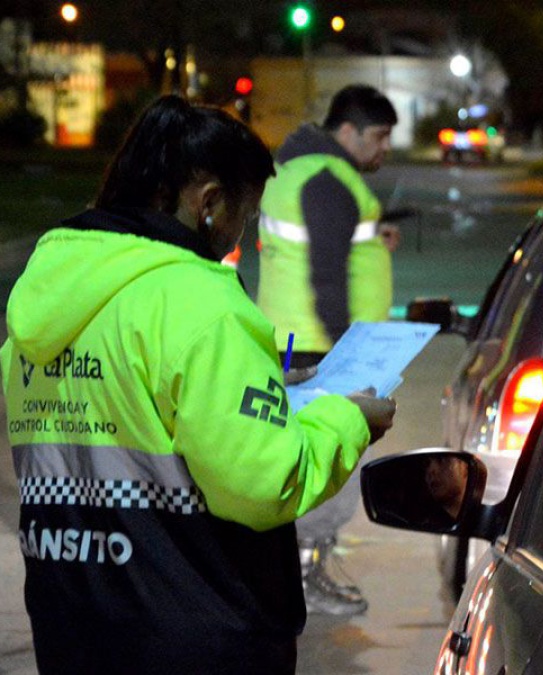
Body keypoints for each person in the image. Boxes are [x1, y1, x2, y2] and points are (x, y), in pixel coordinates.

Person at [0, 95, 395, 675]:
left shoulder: (40, 304)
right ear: (209, 201)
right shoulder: (202, 303)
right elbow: (265, 482)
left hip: (73, 627)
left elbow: (133, 417)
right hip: (194, 634)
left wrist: (257, 388)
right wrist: (349, 419)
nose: (242, 230)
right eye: (246, 212)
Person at [255, 84, 399, 615]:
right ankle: (304, 577)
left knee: (305, 459)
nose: (385, 148)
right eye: (380, 136)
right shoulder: (328, 181)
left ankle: (298, 574)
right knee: (327, 464)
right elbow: (326, 276)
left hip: (296, 343)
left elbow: (325, 248)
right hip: (320, 349)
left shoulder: (300, 171)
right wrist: (349, 357)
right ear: (348, 131)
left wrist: (372, 241)